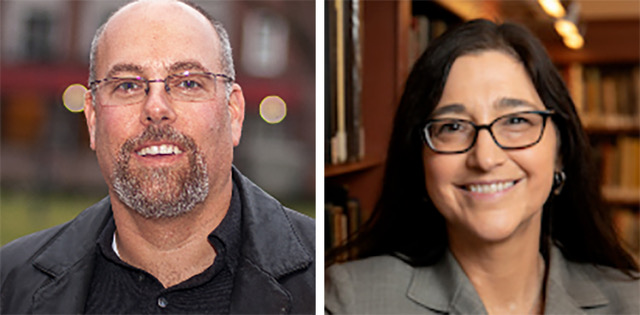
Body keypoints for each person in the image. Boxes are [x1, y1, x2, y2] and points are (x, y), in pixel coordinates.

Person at [0, 0, 314, 313]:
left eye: (188, 82)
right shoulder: (10, 285)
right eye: (127, 86)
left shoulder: (327, 283)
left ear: (233, 113)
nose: (156, 109)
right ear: (93, 118)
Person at [325, 19, 638, 314]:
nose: (486, 158)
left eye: (516, 121)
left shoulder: (631, 301)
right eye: (452, 127)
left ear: (560, 150)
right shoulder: (349, 302)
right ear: (419, 156)